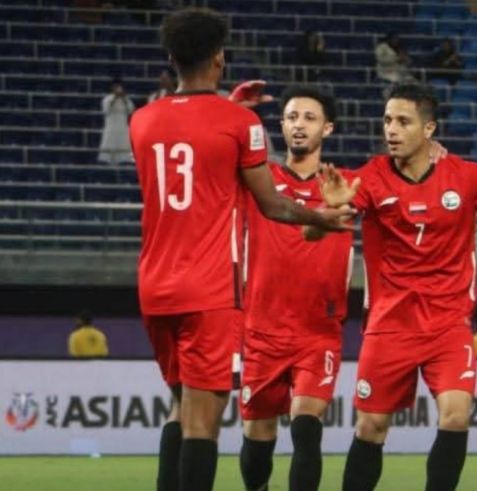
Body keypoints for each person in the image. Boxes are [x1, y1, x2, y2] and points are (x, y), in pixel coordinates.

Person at [128, 9, 352, 491]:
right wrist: (322, 218)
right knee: (202, 422)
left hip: (154, 284)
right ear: (219, 58)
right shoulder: (241, 122)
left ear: (171, 58)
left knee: (178, 405)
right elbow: (274, 205)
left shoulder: (141, 120)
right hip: (208, 289)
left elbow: (193, 140)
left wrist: (226, 103)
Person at [311, 83, 477, 491]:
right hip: (390, 324)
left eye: (403, 121)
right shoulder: (369, 177)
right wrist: (328, 209)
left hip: (448, 324)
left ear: (429, 128)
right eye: (387, 120)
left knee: (456, 415)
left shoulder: (468, 177)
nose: (391, 129)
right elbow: (313, 235)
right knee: (371, 427)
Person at [237, 86, 355, 491]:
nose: (299, 125)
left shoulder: (346, 184)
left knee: (306, 426)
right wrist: (232, 112)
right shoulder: (260, 180)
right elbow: (207, 155)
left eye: (309, 117)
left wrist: (432, 150)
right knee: (258, 439)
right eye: (291, 117)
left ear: (328, 128)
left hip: (317, 332)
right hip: (262, 329)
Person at [98, 78, 135, 164]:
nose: (118, 89)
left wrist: (124, 99)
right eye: (115, 87)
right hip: (111, 129)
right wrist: (115, 98)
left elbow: (131, 110)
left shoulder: (126, 99)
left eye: (119, 86)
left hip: (122, 129)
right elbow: (106, 110)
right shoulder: (107, 99)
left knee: (124, 152)